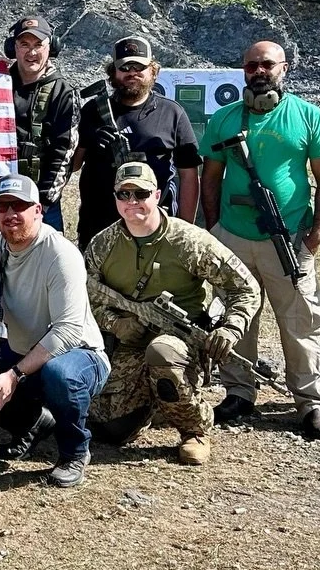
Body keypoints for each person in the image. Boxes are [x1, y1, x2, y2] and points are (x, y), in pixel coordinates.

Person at [200, 39, 320, 440]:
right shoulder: (225, 118)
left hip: (289, 238)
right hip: (233, 237)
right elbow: (211, 177)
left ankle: (311, 402)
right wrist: (215, 229)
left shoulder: (308, 117)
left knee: (301, 320)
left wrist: (315, 236)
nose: (259, 72)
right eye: (251, 66)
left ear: (284, 68)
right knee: (237, 316)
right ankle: (239, 391)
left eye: (266, 64)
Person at [0, 174, 109, 487]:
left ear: (38, 210)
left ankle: (74, 452)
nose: (10, 213)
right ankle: (32, 423)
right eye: (2, 206)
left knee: (59, 375)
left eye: (20, 205)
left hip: (78, 354)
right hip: (21, 348)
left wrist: (14, 375)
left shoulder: (60, 254)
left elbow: (66, 332)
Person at [84, 161, 260, 467]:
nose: (132, 202)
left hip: (179, 343)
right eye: (123, 194)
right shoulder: (103, 245)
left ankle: (195, 431)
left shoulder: (189, 241)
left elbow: (245, 287)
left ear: (158, 195)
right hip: (128, 344)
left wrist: (230, 329)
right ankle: (155, 402)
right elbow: (84, 298)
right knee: (110, 429)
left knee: (162, 353)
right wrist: (116, 323)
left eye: (140, 193)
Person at [73, 36, 201, 250]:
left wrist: (185, 229)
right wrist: (88, 143)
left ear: (153, 71)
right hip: (99, 228)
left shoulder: (171, 112)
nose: (132, 73)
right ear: (113, 73)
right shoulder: (93, 110)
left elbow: (188, 175)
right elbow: (73, 166)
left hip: (156, 227)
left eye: (139, 67)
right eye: (124, 67)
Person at [6, 15, 79, 232]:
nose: (32, 52)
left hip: (43, 202)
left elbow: (65, 151)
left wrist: (44, 202)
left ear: (51, 47)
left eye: (39, 45)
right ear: (13, 48)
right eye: (24, 45)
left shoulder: (63, 92)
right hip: (2, 199)